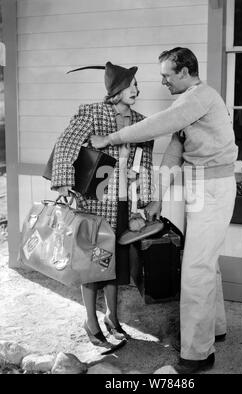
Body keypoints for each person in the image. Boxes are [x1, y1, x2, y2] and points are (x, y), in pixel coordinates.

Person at [90, 47, 238, 372]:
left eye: (167, 76)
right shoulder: (188, 104)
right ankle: (214, 330)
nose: (163, 82)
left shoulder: (200, 97)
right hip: (201, 186)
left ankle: (198, 356)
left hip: (213, 188)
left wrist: (110, 139)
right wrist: (158, 198)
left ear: (185, 72)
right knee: (205, 263)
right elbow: (174, 151)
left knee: (196, 269)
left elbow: (155, 126)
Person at [50, 61, 153, 352]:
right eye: (131, 84)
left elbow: (144, 163)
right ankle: (91, 322)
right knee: (93, 263)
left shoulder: (142, 121)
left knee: (116, 263)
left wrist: (143, 201)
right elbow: (66, 145)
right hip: (93, 203)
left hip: (121, 203)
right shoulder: (93, 113)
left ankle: (112, 317)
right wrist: (63, 183)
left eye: (136, 84)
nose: (137, 89)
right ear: (117, 89)